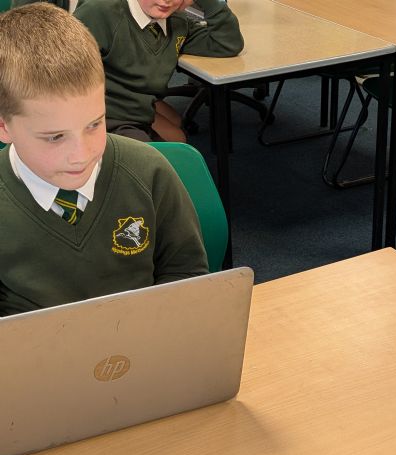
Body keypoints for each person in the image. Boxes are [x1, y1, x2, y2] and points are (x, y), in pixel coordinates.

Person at [0, 3, 209, 317]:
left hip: (142, 337)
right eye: (55, 137)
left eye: (94, 124)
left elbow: (187, 275)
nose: (81, 155)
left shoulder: (149, 173)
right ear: (4, 126)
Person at [74, 0, 244, 143]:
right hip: (105, 112)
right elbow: (65, 76)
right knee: (157, 160)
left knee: (178, 136)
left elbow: (226, 44)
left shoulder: (176, 21)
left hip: (137, 102)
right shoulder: (99, 12)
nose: (166, 1)